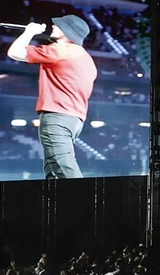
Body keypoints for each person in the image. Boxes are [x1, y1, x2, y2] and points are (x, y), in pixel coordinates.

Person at [8, 14, 97, 179]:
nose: (53, 26)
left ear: (67, 31)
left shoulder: (61, 50)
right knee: (54, 169)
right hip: (74, 120)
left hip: (57, 117)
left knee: (65, 169)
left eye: (58, 25)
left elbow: (14, 52)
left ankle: (84, 202)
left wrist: (29, 32)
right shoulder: (86, 58)